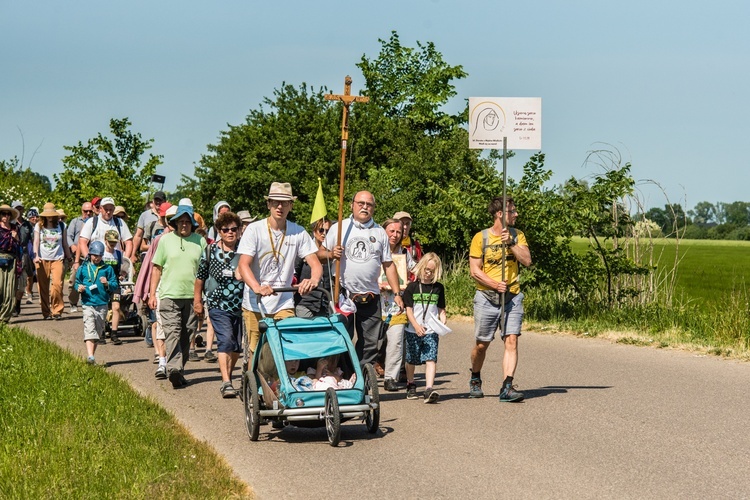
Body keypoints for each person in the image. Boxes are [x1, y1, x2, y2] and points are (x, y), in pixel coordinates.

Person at [237, 182, 322, 359]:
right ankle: (257, 384)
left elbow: (315, 264)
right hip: (255, 301)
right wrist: (257, 287)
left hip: (283, 301)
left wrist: (313, 280)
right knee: (256, 351)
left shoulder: (298, 232)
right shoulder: (254, 229)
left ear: (291, 205)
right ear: (268, 204)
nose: (280, 206)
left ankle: (279, 385)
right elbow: (243, 265)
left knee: (285, 348)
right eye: (275, 202)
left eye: (285, 202)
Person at [320, 191, 403, 369]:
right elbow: (319, 254)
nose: (365, 207)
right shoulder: (340, 227)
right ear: (352, 205)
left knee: (371, 343)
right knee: (341, 338)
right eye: (361, 203)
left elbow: (388, 265)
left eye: (369, 204)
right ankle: (343, 374)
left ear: (374, 208)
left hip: (371, 295)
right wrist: (330, 253)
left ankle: (359, 376)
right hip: (343, 294)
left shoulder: (380, 232)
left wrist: (397, 293)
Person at [468, 197, 532, 402]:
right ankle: (475, 378)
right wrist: (494, 284)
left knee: (511, 340)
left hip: (512, 296)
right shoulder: (481, 237)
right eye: (512, 211)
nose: (516, 214)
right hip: (487, 297)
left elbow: (527, 261)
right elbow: (474, 270)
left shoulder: (517, 235)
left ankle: (507, 386)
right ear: (499, 214)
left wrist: (511, 243)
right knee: (481, 345)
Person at [148, 202, 206, 388]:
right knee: (172, 332)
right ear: (174, 223)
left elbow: (206, 270)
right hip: (169, 296)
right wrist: (152, 294)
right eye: (180, 221)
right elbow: (156, 269)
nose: (183, 225)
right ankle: (173, 368)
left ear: (192, 224)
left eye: (187, 222)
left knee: (187, 335)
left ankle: (178, 370)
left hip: (192, 296)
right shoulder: (165, 240)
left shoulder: (200, 242)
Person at [195, 211, 245, 397]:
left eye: (234, 229)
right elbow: (200, 278)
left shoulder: (245, 251)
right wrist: (197, 301)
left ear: (239, 230)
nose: (230, 232)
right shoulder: (210, 251)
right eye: (226, 229)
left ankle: (228, 377)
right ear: (219, 231)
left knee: (237, 346)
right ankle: (225, 382)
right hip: (217, 304)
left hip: (241, 306)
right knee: (225, 340)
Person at [403, 253, 447, 403]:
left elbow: (441, 308)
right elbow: (409, 310)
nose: (428, 273)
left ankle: (429, 389)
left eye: (432, 271)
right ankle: (411, 383)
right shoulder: (412, 287)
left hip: (431, 329)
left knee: (431, 358)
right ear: (421, 267)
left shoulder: (438, 288)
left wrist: (443, 319)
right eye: (426, 270)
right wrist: (415, 325)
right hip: (413, 329)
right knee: (411, 359)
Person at [379, 218, 415, 391]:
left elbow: (416, 270)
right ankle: (362, 376)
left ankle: (390, 378)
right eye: (391, 231)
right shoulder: (374, 249)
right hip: (373, 302)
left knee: (396, 340)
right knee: (372, 343)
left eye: (398, 232)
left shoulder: (404, 254)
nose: (395, 235)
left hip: (396, 302)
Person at [75, 241, 118, 365]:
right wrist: (79, 287)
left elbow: (115, 284)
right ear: (90, 254)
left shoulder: (107, 269)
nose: (96, 258)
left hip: (102, 303)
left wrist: (107, 283)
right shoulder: (83, 268)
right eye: (94, 255)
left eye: (99, 255)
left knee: (98, 332)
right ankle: (90, 356)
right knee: (90, 328)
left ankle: (92, 356)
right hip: (88, 302)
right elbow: (77, 282)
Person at [33, 203, 72, 320]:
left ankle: (57, 311)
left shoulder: (62, 225)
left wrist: (70, 259)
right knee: (43, 287)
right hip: (42, 259)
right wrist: (36, 256)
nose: (49, 217)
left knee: (57, 285)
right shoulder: (38, 226)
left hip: (57, 259)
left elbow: (65, 243)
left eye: (51, 215)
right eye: (47, 215)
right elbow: (36, 242)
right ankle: (46, 312)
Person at [76, 197, 134, 265]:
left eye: (111, 209)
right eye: (106, 209)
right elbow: (82, 242)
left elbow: (129, 242)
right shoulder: (92, 222)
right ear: (100, 209)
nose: (108, 212)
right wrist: (89, 260)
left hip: (114, 263)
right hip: (95, 263)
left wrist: (124, 261)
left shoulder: (119, 223)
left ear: (114, 209)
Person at [294, 217, 332, 318]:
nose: (324, 233)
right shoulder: (303, 251)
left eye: (328, 231)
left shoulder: (332, 253)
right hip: (305, 302)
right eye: (321, 230)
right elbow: (294, 274)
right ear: (314, 231)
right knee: (305, 331)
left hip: (325, 304)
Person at [66, 202, 94, 313]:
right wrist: (72, 245)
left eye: (90, 211)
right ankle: (73, 302)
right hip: (78, 256)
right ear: (81, 211)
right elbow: (68, 235)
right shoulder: (76, 221)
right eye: (85, 211)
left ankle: (89, 303)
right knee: (73, 280)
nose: (88, 213)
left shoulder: (95, 222)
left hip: (91, 257)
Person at [101, 230, 126, 345]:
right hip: (102, 284)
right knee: (103, 308)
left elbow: (120, 269)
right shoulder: (101, 253)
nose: (112, 244)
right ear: (105, 240)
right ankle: (101, 332)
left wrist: (121, 275)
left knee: (116, 307)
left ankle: (114, 333)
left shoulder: (118, 254)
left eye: (114, 242)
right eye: (110, 241)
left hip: (114, 284)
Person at [0, 204, 22, 324]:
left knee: (9, 290)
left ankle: (4, 318)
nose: (6, 216)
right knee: (0, 288)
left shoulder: (15, 228)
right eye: (4, 214)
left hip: (11, 260)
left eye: (8, 214)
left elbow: (19, 246)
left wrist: (16, 238)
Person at [132, 191, 167, 261]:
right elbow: (138, 235)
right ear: (153, 201)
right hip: (147, 253)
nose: (158, 202)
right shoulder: (145, 215)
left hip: (164, 254)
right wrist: (133, 254)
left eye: (160, 200)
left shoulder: (168, 215)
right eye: (156, 200)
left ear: (165, 201)